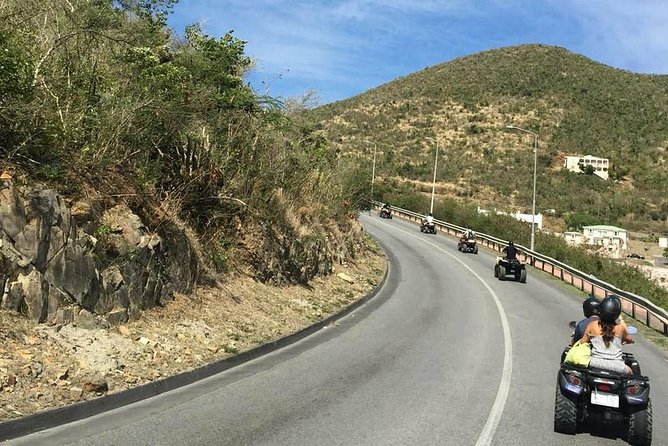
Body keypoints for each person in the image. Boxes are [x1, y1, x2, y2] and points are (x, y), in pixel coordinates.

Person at [580, 296, 633, 374]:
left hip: (595, 364)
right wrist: (621, 319)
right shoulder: (620, 327)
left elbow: (582, 342)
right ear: (617, 314)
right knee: (631, 373)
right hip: (617, 366)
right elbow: (629, 339)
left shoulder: (593, 325)